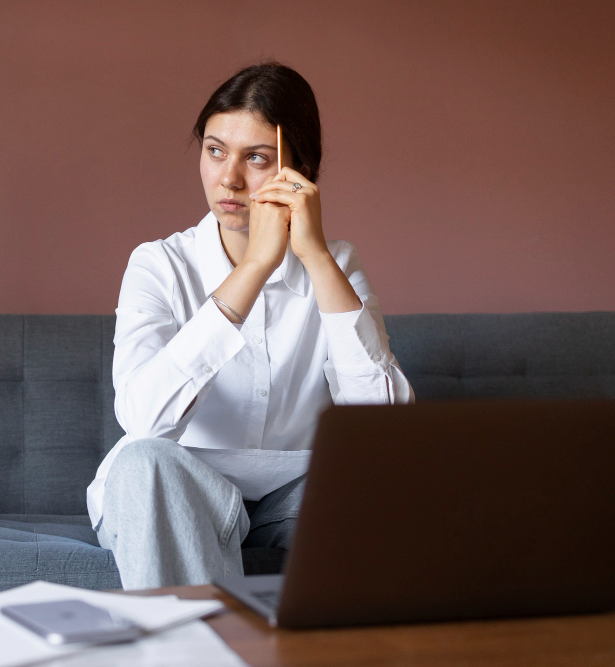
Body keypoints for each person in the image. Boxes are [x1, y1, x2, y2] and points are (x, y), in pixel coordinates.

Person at [86, 62, 413, 590]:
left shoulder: (336, 265)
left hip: (295, 495)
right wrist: (253, 269)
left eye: (256, 158)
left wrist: (315, 256)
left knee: (376, 481)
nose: (228, 179)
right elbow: (143, 419)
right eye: (215, 150)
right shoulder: (158, 265)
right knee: (143, 462)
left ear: (299, 172)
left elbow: (386, 430)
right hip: (177, 487)